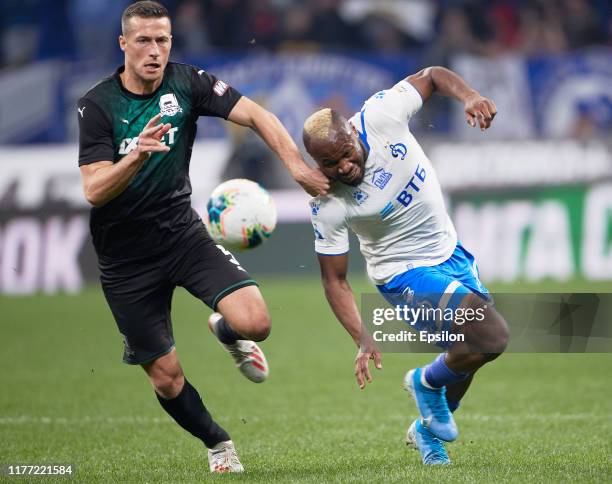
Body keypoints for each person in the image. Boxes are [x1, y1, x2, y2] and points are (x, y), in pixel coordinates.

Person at [77, 1, 328, 474]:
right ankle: (218, 443)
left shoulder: (188, 82)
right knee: (167, 379)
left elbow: (257, 114)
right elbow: (93, 189)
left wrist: (296, 166)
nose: (155, 51)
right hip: (126, 260)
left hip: (181, 235)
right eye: (145, 41)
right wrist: (133, 158)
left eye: (163, 40)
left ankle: (228, 331)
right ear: (124, 44)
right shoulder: (97, 105)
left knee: (257, 322)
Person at [303, 66, 509, 465]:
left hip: (450, 253)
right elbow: (335, 280)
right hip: (402, 276)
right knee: (492, 335)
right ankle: (424, 382)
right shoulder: (327, 203)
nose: (343, 168)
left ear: (354, 133)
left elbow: (432, 76)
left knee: (472, 351)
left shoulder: (381, 114)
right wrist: (362, 335)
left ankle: (426, 433)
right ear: (315, 163)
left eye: (346, 154)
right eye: (330, 164)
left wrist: (468, 95)